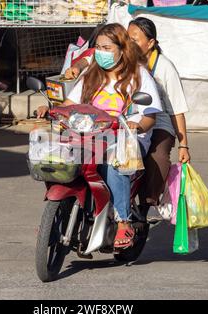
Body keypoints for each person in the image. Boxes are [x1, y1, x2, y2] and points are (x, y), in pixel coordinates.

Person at [37, 23, 162, 249]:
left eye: (106, 47)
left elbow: (150, 116)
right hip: (89, 136)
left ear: (122, 49)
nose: (100, 52)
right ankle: (56, 217)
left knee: (114, 165)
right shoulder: (92, 74)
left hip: (126, 140)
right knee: (56, 158)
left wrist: (136, 126)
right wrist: (52, 111)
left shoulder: (139, 75)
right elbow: (70, 104)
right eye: (97, 47)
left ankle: (123, 220)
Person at [64, 17, 191, 217]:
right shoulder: (96, 71)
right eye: (128, 38)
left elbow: (173, 110)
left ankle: (137, 210)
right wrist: (76, 69)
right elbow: (87, 59)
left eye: (135, 39)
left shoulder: (148, 72)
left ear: (150, 43)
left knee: (150, 158)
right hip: (99, 131)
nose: (131, 43)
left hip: (149, 121)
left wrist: (183, 144)